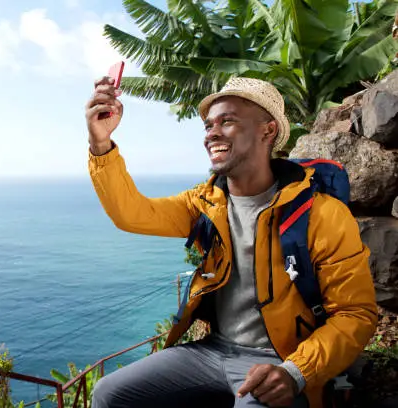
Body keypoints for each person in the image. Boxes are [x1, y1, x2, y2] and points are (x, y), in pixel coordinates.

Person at [84, 76, 378, 408]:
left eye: (228, 121)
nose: (212, 132)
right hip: (212, 351)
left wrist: (296, 372)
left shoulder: (322, 214)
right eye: (209, 125)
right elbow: (132, 214)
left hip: (282, 358)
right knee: (108, 393)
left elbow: (356, 314)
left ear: (267, 131)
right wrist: (101, 145)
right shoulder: (205, 203)